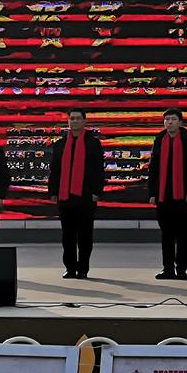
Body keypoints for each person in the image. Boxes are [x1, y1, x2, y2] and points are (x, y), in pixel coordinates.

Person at [47, 110, 105, 278]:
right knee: (68, 235)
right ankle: (70, 268)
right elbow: (55, 169)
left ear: (84, 121)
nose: (74, 121)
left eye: (78, 118)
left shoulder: (93, 143)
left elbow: (98, 169)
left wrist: (97, 191)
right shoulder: (60, 144)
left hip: (86, 195)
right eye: (72, 118)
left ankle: (83, 268)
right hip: (65, 195)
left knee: (85, 235)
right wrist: (53, 191)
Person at [149, 108, 187, 281]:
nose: (169, 122)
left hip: (183, 195)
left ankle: (181, 269)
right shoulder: (159, 140)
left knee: (182, 234)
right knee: (166, 234)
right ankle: (167, 269)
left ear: (180, 122)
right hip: (163, 195)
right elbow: (153, 169)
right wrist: (152, 193)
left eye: (173, 119)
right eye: (167, 119)